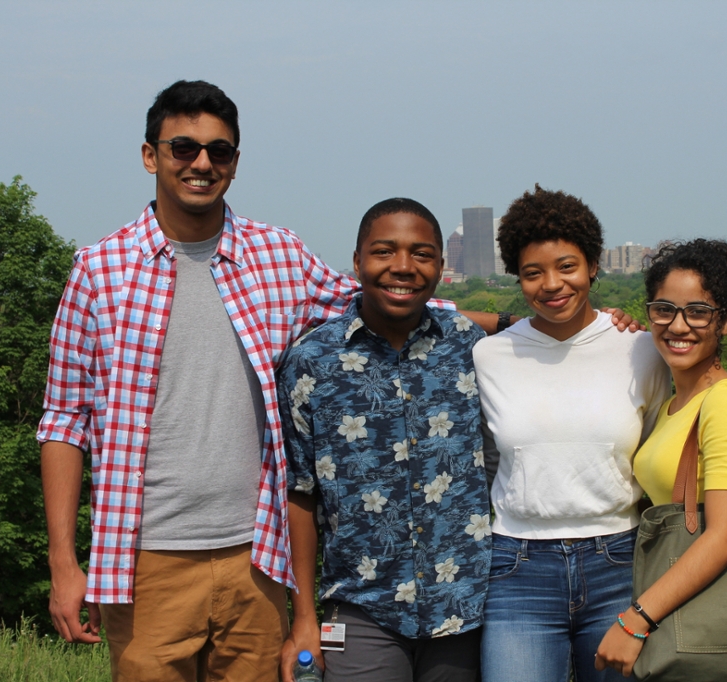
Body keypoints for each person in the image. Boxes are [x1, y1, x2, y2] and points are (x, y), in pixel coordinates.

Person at [37, 81, 493, 680]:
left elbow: (387, 301)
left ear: (234, 162)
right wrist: (65, 565)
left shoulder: (276, 255)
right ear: (151, 155)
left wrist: (527, 321)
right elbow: (65, 421)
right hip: (148, 558)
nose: (201, 163)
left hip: (258, 558)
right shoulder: (99, 272)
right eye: (183, 148)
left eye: (218, 151)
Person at [277, 198, 491, 682]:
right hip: (360, 605)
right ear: (356, 262)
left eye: (421, 254)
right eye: (384, 252)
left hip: (463, 603)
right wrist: (304, 618)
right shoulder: (312, 360)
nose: (403, 267)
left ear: (440, 265)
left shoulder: (471, 347)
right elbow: (300, 492)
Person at [473, 185, 672, 682]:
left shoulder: (642, 350)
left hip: (619, 562)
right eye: (532, 273)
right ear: (517, 279)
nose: (552, 284)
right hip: (517, 567)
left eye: (567, 267)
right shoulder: (489, 356)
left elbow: (654, 455)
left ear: (593, 266)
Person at [595, 238, 727, 676]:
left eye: (698, 312)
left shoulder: (724, 402)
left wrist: (637, 620)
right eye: (663, 309)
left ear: (726, 322)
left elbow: (725, 534)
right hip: (680, 611)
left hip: (704, 620)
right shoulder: (675, 402)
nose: (678, 325)